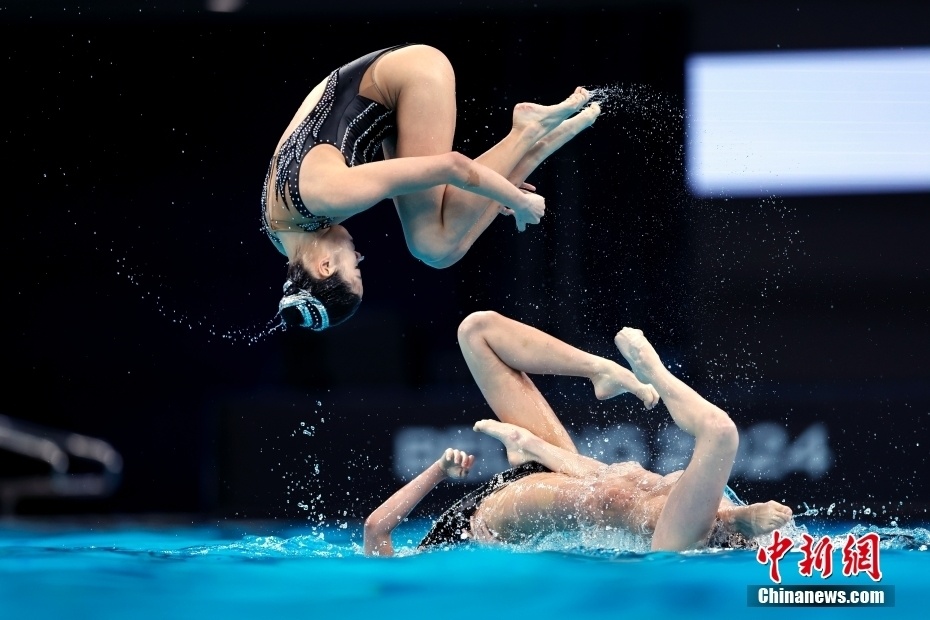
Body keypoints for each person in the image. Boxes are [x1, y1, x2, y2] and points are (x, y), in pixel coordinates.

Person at [363, 311, 793, 556]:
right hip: (523, 495)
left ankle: (599, 370)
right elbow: (375, 531)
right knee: (625, 483)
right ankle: (726, 520)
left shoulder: (414, 572)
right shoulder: (426, 572)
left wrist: (441, 470)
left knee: (476, 331)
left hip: (494, 509)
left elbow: (374, 529)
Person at [264, 44, 601, 330]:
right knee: (438, 250)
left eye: (354, 267)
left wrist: (516, 200)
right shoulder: (287, 234)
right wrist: (488, 193)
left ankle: (529, 134)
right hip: (387, 96)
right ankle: (525, 147)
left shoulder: (327, 196)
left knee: (432, 242)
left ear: (325, 267)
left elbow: (452, 166)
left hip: (414, 76)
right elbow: (400, 179)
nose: (358, 255)